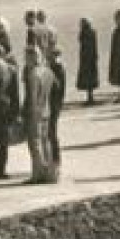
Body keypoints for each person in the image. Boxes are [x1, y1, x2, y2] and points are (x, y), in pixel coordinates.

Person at [21, 46, 58, 184]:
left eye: (26, 57)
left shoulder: (33, 74)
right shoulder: (48, 71)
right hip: (46, 110)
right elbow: (56, 88)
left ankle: (37, 173)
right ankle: (49, 171)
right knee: (45, 141)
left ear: (31, 57)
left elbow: (31, 97)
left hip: (35, 112)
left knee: (35, 143)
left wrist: (25, 112)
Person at [0, 44, 20, 180]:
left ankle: (0, 170)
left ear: (0, 55)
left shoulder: (11, 70)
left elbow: (15, 93)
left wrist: (16, 111)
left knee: (3, 143)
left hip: (3, 110)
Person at [47, 46, 68, 176]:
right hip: (54, 105)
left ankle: (56, 159)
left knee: (52, 133)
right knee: (51, 133)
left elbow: (58, 88)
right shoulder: (56, 68)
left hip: (54, 105)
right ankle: (54, 159)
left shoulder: (58, 69)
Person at [76, 18, 100, 105]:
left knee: (87, 79)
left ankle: (89, 98)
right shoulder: (93, 32)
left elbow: (80, 40)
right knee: (91, 78)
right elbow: (95, 45)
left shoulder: (84, 33)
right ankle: (90, 97)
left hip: (86, 59)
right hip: (91, 58)